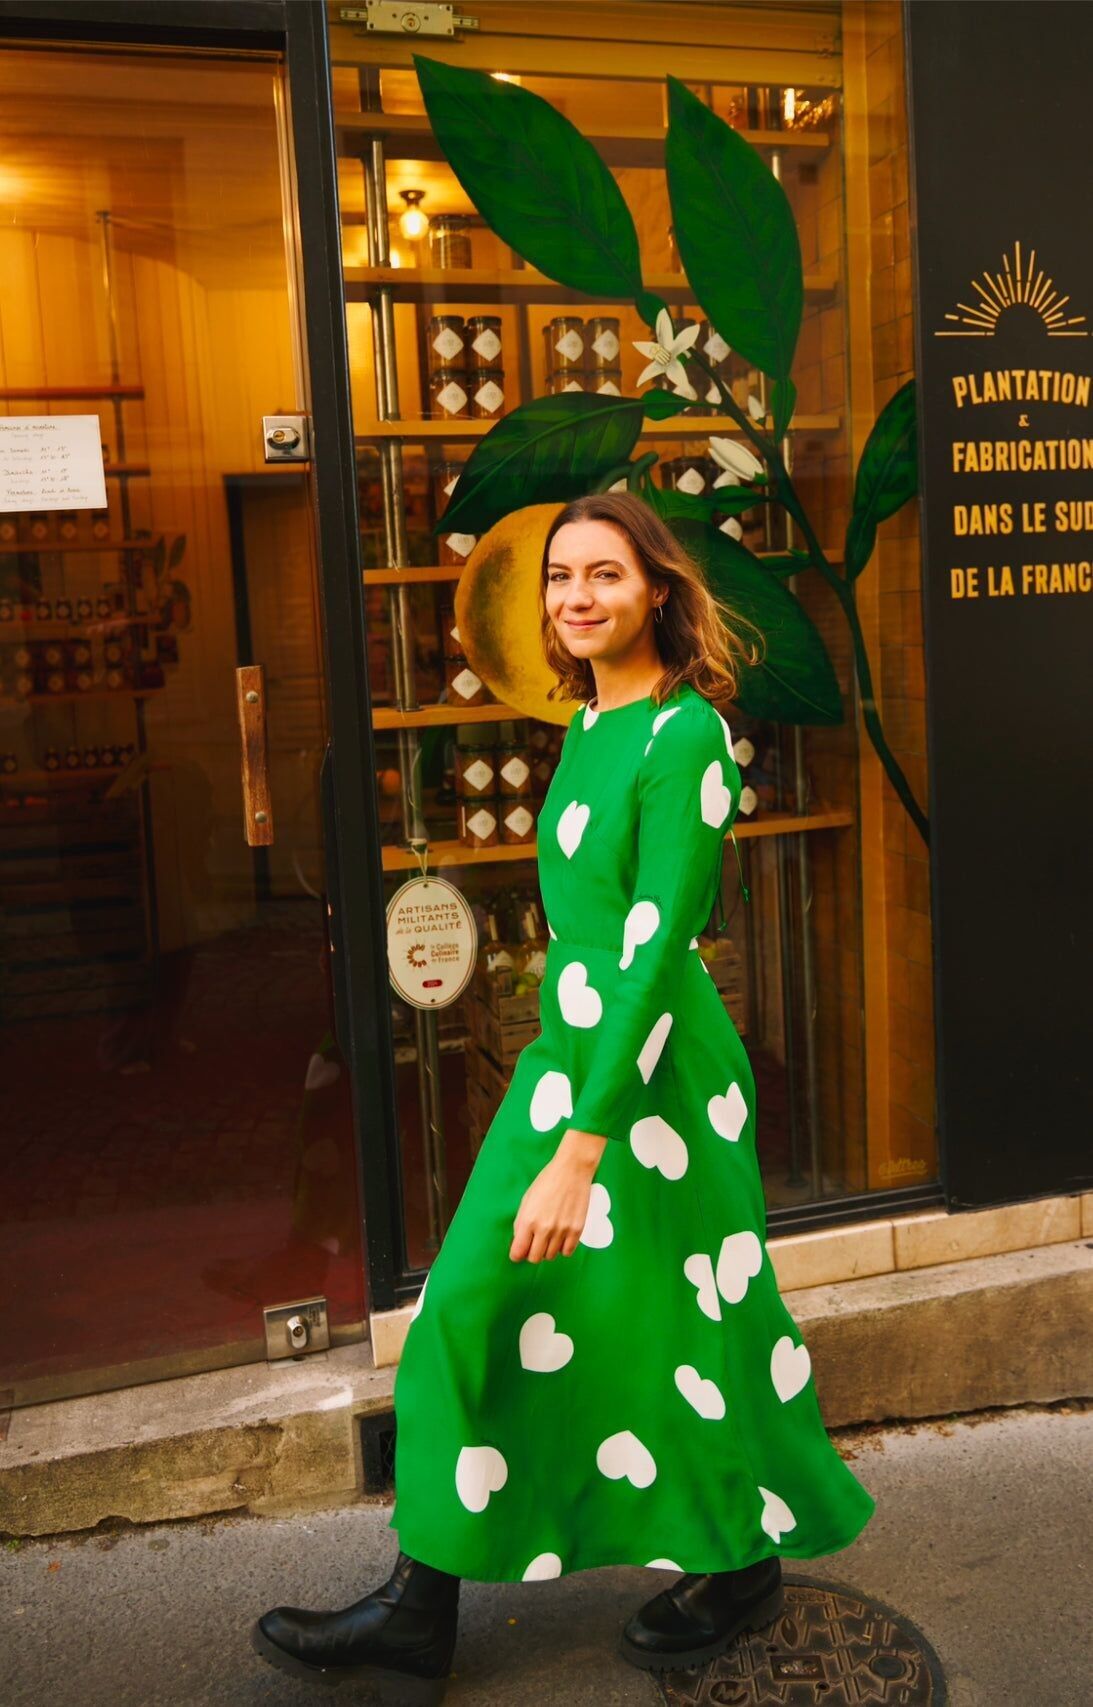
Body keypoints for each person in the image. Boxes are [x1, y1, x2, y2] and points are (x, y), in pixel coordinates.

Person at [252, 492, 877, 1700]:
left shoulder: (683, 736)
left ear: (658, 589)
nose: (576, 597)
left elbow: (654, 946)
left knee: (685, 1324)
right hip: (574, 1058)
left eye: (603, 574)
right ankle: (417, 1604)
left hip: (653, 1078)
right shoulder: (592, 723)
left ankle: (739, 1562)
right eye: (558, 578)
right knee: (470, 1307)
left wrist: (582, 1141)